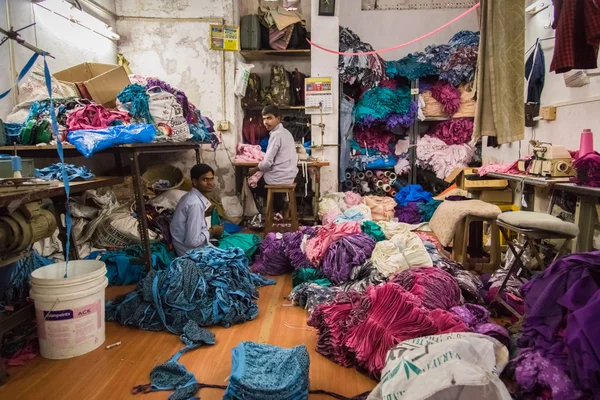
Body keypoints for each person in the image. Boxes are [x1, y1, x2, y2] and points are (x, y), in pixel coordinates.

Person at [248, 105, 298, 217]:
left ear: (278, 119)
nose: (266, 122)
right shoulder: (286, 133)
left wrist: (254, 169)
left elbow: (266, 164)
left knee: (252, 182)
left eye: (269, 118)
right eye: (264, 118)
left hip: (279, 177)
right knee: (265, 178)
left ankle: (279, 207)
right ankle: (280, 206)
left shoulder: (276, 135)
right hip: (289, 176)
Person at [170, 164, 224, 256]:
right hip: (192, 253)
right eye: (205, 179)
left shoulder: (190, 197)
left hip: (192, 248)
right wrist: (212, 231)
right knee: (242, 246)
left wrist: (204, 214)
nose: (210, 183)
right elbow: (192, 241)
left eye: (211, 179)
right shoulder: (195, 204)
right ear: (195, 182)